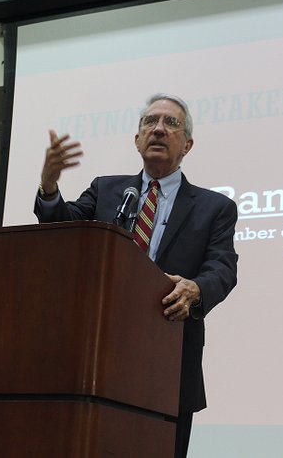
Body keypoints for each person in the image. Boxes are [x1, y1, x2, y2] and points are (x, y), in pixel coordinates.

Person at [34, 93, 238, 458]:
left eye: (170, 123)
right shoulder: (107, 190)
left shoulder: (214, 208)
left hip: (168, 357)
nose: (158, 129)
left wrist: (196, 289)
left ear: (187, 144)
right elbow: (63, 233)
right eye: (150, 122)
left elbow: (223, 267)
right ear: (137, 139)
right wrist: (48, 185)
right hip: (96, 354)